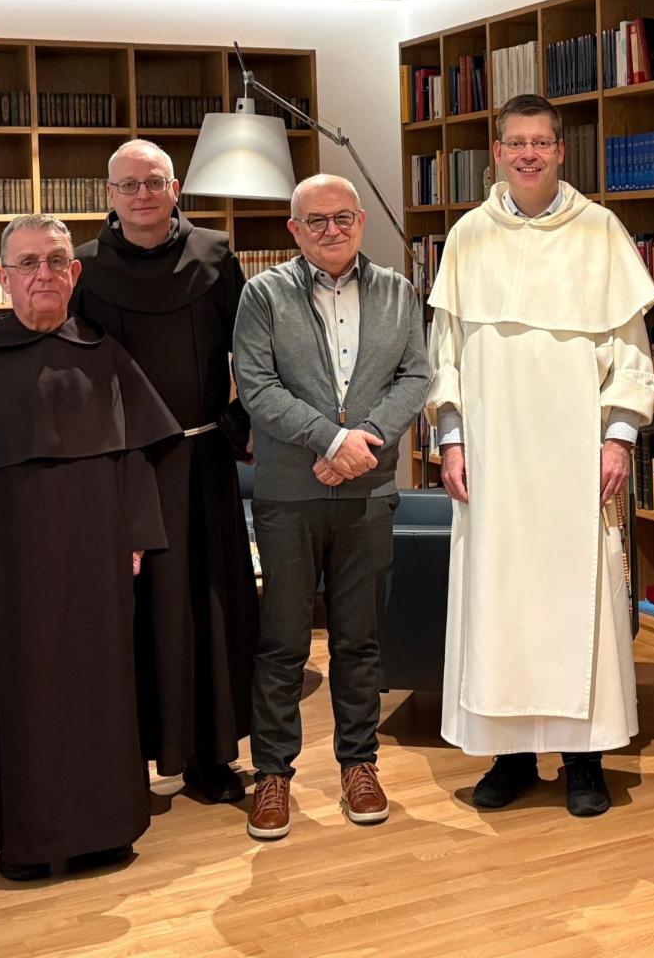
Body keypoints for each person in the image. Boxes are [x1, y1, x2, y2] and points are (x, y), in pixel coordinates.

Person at [0, 216, 175, 882]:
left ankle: (103, 830)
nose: (44, 274)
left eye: (56, 261)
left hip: (93, 558)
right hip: (3, 568)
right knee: (9, 691)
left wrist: (136, 534)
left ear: (74, 274)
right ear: (4, 278)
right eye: (28, 263)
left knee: (98, 691)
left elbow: (134, 454)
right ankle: (22, 839)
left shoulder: (104, 356)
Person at [426, 92, 654, 817]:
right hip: (493, 455)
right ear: (496, 152)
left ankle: (585, 760)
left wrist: (619, 436)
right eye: (515, 142)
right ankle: (512, 756)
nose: (528, 154)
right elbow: (447, 354)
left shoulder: (601, 231)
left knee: (578, 599)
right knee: (499, 604)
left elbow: (630, 350)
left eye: (541, 143)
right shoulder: (468, 236)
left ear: (561, 152)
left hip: (573, 456)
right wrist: (452, 438)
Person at [231, 174, 430, 841]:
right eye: (315, 221)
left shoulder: (398, 292)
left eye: (342, 218)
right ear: (293, 230)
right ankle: (274, 775)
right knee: (283, 641)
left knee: (359, 641)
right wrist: (330, 438)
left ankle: (359, 766)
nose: (331, 230)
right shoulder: (261, 295)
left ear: (362, 221)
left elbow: (417, 377)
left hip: (368, 493)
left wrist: (362, 443)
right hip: (290, 495)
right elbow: (256, 386)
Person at [72, 139, 257, 806]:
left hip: (203, 463)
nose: (142, 195)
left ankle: (211, 755)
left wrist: (241, 427)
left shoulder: (215, 255)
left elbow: (253, 352)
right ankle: (128, 760)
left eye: (154, 183)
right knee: (131, 613)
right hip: (124, 469)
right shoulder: (84, 269)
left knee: (209, 606)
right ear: (111, 194)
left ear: (175, 188)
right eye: (129, 185)